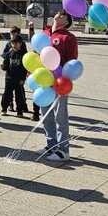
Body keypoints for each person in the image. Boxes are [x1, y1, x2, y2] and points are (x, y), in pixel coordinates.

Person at [39, 11, 78, 162]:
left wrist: (64, 78)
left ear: (67, 21)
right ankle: (51, 144)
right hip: (44, 80)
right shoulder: (46, 33)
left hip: (60, 82)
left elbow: (72, 60)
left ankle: (63, 150)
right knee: (45, 114)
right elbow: (37, 54)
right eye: (58, 13)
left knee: (60, 116)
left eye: (63, 15)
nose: (58, 15)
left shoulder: (68, 37)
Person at [1, 27, 27, 114]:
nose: (15, 45)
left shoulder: (23, 54)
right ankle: (4, 108)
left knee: (19, 95)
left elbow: (24, 67)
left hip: (19, 78)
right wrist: (3, 66)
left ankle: (20, 110)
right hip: (9, 77)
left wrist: (23, 78)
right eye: (13, 43)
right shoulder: (9, 53)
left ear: (21, 44)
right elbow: (5, 62)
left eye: (17, 43)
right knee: (7, 94)